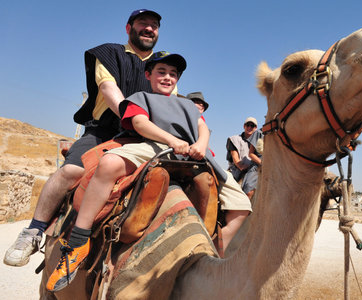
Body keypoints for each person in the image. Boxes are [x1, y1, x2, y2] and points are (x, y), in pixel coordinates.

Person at [46, 51, 252, 292]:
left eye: (173, 74)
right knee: (109, 163)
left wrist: (200, 146)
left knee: (241, 205)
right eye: (161, 72)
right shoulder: (139, 97)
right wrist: (171, 140)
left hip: (192, 153)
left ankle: (213, 255)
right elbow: (140, 124)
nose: (167, 77)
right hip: (153, 145)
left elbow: (203, 129)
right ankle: (78, 242)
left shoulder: (187, 105)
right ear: (148, 75)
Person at [4, 9, 163, 267]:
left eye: (154, 25)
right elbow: (108, 88)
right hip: (105, 130)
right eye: (143, 23)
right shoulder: (109, 53)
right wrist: (131, 116)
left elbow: (169, 103)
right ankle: (33, 231)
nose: (149, 28)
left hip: (144, 137)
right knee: (72, 171)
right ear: (128, 28)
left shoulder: (162, 66)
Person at [226, 117, 262, 199]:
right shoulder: (234, 139)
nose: (249, 127)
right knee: (231, 194)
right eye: (247, 125)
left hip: (255, 170)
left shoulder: (259, 142)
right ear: (244, 126)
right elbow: (236, 159)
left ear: (255, 128)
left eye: (252, 126)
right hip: (238, 170)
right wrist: (243, 167)